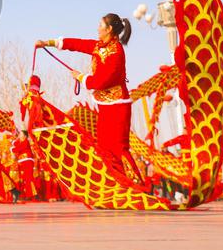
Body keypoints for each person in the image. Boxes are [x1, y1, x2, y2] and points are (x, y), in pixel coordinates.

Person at [36, 14, 142, 182]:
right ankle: (117, 184)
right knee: (105, 148)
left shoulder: (116, 52)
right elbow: (78, 44)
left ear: (109, 29)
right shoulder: (98, 46)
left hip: (118, 106)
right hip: (104, 105)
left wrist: (82, 78)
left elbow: (103, 81)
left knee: (119, 148)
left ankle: (136, 185)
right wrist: (48, 43)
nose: (97, 28)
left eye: (101, 25)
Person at [12, 130, 37, 200]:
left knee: (28, 178)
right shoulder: (20, 142)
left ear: (25, 136)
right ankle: (26, 194)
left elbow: (17, 148)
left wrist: (12, 149)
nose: (19, 135)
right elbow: (15, 144)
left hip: (27, 161)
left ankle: (31, 195)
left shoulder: (26, 142)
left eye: (21, 134)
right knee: (24, 178)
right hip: (22, 161)